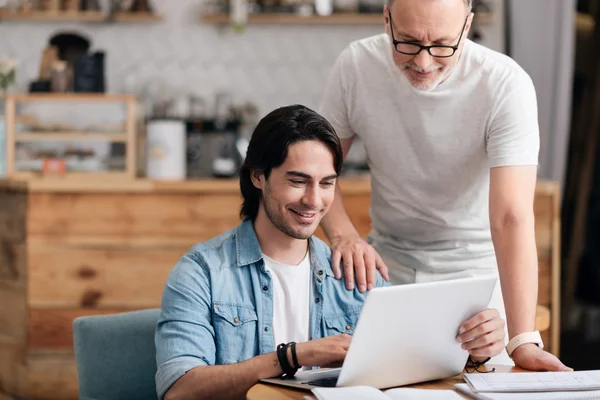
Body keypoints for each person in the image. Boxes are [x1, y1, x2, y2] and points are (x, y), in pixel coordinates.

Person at [154, 105, 506, 400]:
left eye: (326, 184)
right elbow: (179, 389)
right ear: (259, 177)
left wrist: (473, 352)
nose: (314, 200)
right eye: (297, 181)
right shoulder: (202, 271)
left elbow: (409, 368)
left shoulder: (356, 273)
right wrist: (293, 357)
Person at [319, 0, 571, 370]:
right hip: (387, 269)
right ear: (386, 19)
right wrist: (343, 236)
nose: (423, 62)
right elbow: (319, 169)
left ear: (466, 26)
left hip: (478, 276)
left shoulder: (504, 83)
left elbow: (511, 217)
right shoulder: (356, 66)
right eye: (406, 42)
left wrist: (522, 340)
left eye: (441, 45)